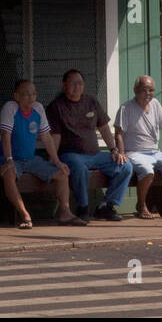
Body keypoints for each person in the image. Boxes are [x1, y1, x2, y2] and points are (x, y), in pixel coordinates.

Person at [0, 79, 87, 228]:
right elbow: (6, 135)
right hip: (9, 158)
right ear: (16, 96)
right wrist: (9, 159)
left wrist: (57, 161)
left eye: (33, 94)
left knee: (62, 173)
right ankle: (25, 216)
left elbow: (46, 137)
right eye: (26, 94)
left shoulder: (38, 108)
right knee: (9, 173)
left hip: (30, 159)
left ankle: (65, 213)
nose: (30, 98)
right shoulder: (10, 107)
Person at [47, 69, 132, 220]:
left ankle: (106, 206)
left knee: (125, 166)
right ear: (64, 85)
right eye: (73, 83)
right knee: (79, 168)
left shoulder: (91, 102)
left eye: (80, 83)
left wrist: (114, 149)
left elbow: (104, 128)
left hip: (96, 155)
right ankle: (83, 208)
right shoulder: (56, 106)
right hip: (71, 155)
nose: (77, 87)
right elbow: (55, 136)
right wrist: (54, 158)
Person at [114, 75, 162, 220]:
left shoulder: (156, 104)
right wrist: (122, 153)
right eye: (145, 90)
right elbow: (118, 134)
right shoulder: (126, 108)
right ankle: (141, 205)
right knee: (147, 171)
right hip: (135, 152)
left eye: (151, 90)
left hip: (155, 152)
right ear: (135, 90)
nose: (148, 94)